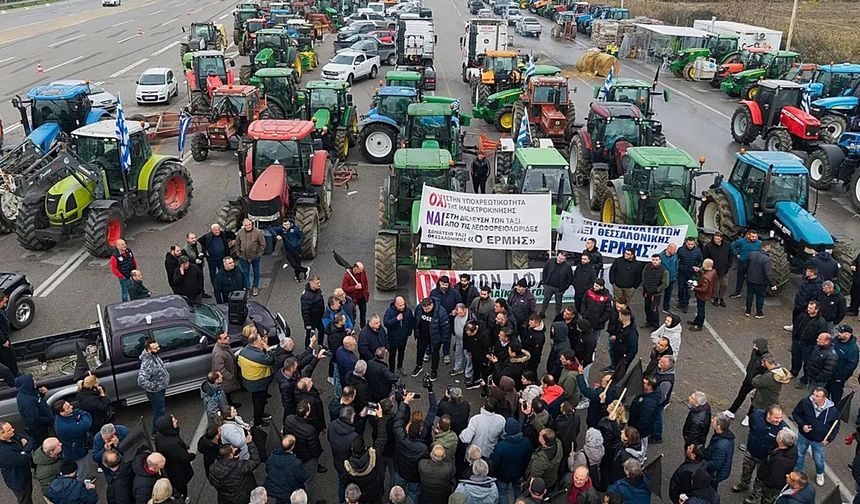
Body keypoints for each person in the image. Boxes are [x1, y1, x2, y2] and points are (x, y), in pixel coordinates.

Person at [731, 406, 788, 499]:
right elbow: (751, 425)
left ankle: (755, 496)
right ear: (768, 415)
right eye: (776, 417)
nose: (779, 420)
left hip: (765, 459)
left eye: (781, 417)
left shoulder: (783, 429)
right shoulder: (756, 415)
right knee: (746, 470)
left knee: (760, 479)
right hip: (751, 452)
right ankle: (744, 484)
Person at [791, 387, 839, 486]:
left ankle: (820, 473)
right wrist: (802, 425)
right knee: (799, 455)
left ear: (824, 398)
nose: (813, 397)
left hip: (819, 440)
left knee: (818, 460)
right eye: (813, 394)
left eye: (817, 396)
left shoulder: (833, 411)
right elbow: (795, 414)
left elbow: (835, 426)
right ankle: (797, 473)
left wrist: (829, 439)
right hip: (803, 436)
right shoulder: (805, 402)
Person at [392, 393, 435, 503]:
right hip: (414, 475)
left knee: (397, 492)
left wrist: (405, 402)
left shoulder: (401, 438)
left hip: (400, 470)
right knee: (413, 493)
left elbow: (398, 421)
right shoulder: (422, 448)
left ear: (407, 429)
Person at [344, 407, 388, 503]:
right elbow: (382, 438)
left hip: (361, 495)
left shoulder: (348, 466)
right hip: (375, 491)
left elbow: (347, 481)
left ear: (352, 449)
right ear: (365, 447)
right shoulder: (373, 456)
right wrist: (381, 418)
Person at [725, 338, 770, 419]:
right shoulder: (755, 352)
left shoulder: (766, 359)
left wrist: (758, 386)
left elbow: (766, 373)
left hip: (757, 382)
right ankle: (732, 411)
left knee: (754, 400)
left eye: (756, 346)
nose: (754, 347)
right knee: (741, 394)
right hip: (748, 378)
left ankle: (749, 416)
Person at [491, 417, 532, 502]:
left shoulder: (501, 446)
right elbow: (529, 458)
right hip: (519, 473)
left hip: (503, 476)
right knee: (518, 490)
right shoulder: (527, 442)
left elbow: (495, 462)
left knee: (502, 493)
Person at [789, 301, 829, 389]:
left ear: (817, 310)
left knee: (808, 363)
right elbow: (796, 325)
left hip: (809, 345)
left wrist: (815, 347)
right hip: (798, 341)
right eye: (808, 307)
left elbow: (821, 335)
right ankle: (793, 372)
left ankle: (805, 379)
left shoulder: (821, 322)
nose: (808, 309)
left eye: (811, 308)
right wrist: (794, 338)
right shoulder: (803, 315)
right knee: (795, 358)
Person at [153, 415, 195, 498]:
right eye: (173, 421)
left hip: (169, 467)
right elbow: (184, 458)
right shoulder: (172, 444)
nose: (176, 420)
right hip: (177, 471)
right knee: (182, 488)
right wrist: (192, 455)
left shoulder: (159, 435)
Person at [238, 333, 274, 426]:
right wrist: (267, 348)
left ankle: (261, 414)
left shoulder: (243, 351)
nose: (262, 341)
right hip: (259, 383)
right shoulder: (258, 356)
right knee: (259, 403)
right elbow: (271, 360)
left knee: (257, 400)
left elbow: (239, 364)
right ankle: (258, 421)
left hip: (250, 381)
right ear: (254, 342)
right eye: (260, 340)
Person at [413, 297, 451, 381]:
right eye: (424, 309)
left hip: (435, 337)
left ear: (432, 305)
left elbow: (445, 327)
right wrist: (416, 331)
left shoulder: (441, 312)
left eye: (427, 309)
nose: (425, 311)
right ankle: (419, 366)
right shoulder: (419, 308)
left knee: (435, 354)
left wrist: (443, 339)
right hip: (422, 336)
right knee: (420, 351)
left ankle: (434, 370)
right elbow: (416, 320)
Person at [756, 429, 799, 504]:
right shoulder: (790, 450)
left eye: (778, 434)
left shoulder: (781, 461)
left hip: (771, 487)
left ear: (780, 440)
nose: (777, 434)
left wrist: (765, 480)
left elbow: (775, 478)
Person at [264, 435, 310, 504]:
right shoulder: (295, 463)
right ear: (292, 447)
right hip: (287, 493)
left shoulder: (273, 455)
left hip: (271, 490)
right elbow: (303, 477)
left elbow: (267, 469)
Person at [53, 399, 91, 480]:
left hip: (74, 447)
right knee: (81, 470)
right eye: (68, 407)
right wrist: (82, 416)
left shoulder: (63, 417)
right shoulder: (65, 427)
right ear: (62, 413)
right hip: (76, 451)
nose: (72, 407)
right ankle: (81, 483)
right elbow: (86, 424)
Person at [137, 339, 170, 434]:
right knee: (159, 412)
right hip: (156, 392)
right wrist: (154, 386)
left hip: (160, 389)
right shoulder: (147, 363)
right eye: (155, 348)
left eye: (158, 346)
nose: (158, 349)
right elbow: (141, 381)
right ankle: (156, 432)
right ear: (148, 349)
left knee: (160, 410)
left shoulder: (154, 355)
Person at [330, 406, 360, 502]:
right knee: (349, 486)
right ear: (351, 419)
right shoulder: (353, 437)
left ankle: (341, 501)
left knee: (341, 484)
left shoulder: (332, 426)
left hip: (337, 462)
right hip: (348, 466)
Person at [0, 421, 34, 504]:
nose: (13, 430)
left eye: (11, 427)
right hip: (17, 480)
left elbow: (30, 440)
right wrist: (25, 451)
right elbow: (22, 460)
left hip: (25, 474)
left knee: (28, 494)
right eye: (9, 430)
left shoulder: (12, 436)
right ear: (1, 435)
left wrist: (24, 451)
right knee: (24, 499)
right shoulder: (3, 451)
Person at [15, 374, 52, 445]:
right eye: (33, 380)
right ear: (27, 383)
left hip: (39, 428)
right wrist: (49, 419)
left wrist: (41, 394)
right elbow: (34, 419)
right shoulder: (27, 402)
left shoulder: (27, 392)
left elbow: (36, 400)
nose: (35, 382)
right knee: (43, 443)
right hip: (38, 430)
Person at [785, 266, 823, 332]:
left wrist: (806, 305)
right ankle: (794, 326)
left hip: (804, 306)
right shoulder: (806, 279)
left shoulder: (817, 286)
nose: (806, 272)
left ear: (812, 273)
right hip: (798, 303)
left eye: (808, 271)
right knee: (795, 316)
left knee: (802, 320)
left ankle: (799, 331)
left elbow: (814, 298)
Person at [745, 240, 776, 318]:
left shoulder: (751, 254)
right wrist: (772, 284)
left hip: (750, 279)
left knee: (749, 296)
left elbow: (746, 265)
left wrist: (746, 275)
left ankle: (748, 311)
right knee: (760, 297)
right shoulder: (767, 259)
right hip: (760, 282)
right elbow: (768, 273)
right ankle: (759, 313)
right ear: (767, 246)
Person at [384, 296, 415, 374]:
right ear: (396, 304)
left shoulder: (408, 311)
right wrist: (396, 319)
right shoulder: (389, 311)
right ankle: (391, 370)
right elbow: (386, 323)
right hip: (392, 338)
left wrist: (408, 333)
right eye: (400, 305)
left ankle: (400, 366)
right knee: (392, 355)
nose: (402, 307)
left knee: (401, 353)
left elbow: (411, 322)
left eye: (403, 304)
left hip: (403, 338)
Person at [201, 223, 237, 290]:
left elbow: (231, 234)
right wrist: (204, 252)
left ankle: (223, 284)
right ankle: (215, 286)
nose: (217, 231)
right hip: (212, 260)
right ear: (212, 230)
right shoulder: (207, 236)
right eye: (215, 230)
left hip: (222, 259)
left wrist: (233, 239)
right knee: (213, 273)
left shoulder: (223, 234)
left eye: (218, 229)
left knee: (223, 272)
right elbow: (199, 243)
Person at [628, 377, 660, 451]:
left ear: (649, 387)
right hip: (636, 425)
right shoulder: (646, 393)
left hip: (640, 431)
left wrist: (636, 430)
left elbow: (644, 420)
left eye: (644, 383)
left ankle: (642, 454)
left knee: (641, 444)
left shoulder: (649, 403)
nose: (641, 384)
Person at [235, 219, 266, 296]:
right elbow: (237, 243)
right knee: (245, 273)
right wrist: (238, 254)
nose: (248, 226)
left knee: (256, 272)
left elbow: (262, 245)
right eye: (246, 225)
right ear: (243, 225)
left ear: (251, 224)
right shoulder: (240, 232)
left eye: (249, 224)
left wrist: (259, 254)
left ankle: (255, 286)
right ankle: (247, 288)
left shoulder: (258, 232)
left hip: (255, 257)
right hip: (244, 257)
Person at [650, 355, 676, 444]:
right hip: (654, 398)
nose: (659, 362)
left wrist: (655, 403)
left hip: (658, 402)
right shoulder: (660, 370)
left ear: (668, 366)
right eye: (660, 360)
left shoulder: (666, 381)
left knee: (657, 418)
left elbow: (662, 396)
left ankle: (657, 436)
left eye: (662, 362)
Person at [210, 331, 241, 407]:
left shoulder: (225, 346)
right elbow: (220, 369)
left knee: (228, 393)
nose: (228, 338)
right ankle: (229, 406)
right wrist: (230, 376)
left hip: (229, 374)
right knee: (227, 393)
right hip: (226, 379)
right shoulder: (219, 353)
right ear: (219, 340)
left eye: (227, 336)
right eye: (225, 338)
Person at [705, 413, 735, 489]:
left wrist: (702, 464)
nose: (711, 420)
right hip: (718, 471)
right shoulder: (722, 435)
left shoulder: (721, 446)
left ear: (718, 426)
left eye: (714, 420)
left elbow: (715, 465)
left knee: (710, 488)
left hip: (715, 474)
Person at [830, 325, 858, 403]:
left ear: (848, 335)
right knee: (826, 389)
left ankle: (836, 407)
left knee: (836, 393)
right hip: (829, 372)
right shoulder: (836, 339)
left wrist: (841, 374)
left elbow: (852, 364)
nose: (838, 333)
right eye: (839, 331)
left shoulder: (853, 349)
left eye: (841, 332)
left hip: (838, 376)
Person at [703, 232, 732, 307]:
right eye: (715, 238)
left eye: (718, 239)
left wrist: (729, 264)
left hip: (724, 269)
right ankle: (714, 297)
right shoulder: (708, 246)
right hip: (713, 269)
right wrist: (709, 267)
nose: (716, 240)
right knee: (714, 285)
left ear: (721, 238)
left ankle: (720, 297)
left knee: (724, 284)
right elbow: (706, 257)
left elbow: (731, 255)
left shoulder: (727, 245)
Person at [730, 229, 762, 298]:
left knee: (752, 279)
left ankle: (751, 294)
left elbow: (763, 251)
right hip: (742, 263)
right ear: (748, 235)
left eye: (756, 237)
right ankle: (737, 292)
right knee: (740, 278)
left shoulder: (759, 243)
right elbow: (732, 246)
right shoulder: (741, 241)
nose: (754, 238)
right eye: (752, 237)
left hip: (753, 265)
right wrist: (736, 254)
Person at [641, 254, 669, 329]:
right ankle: (649, 322)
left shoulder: (664, 270)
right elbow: (643, 276)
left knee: (654, 310)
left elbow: (665, 283)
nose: (654, 261)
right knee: (647, 308)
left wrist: (657, 289)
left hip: (656, 295)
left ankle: (656, 326)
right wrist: (645, 285)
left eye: (656, 260)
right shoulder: (647, 266)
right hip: (647, 292)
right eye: (653, 260)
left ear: (660, 260)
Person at [676, 237, 703, 313]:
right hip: (682, 272)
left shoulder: (698, 251)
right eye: (689, 244)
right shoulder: (681, 250)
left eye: (692, 244)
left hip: (692, 273)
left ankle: (685, 304)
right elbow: (676, 259)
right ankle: (681, 301)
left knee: (688, 289)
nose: (690, 246)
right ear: (686, 243)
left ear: (694, 243)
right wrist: (678, 267)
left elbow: (700, 261)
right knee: (681, 288)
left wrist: (697, 267)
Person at [689, 258, 717, 331]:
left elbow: (704, 289)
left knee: (700, 309)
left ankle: (699, 325)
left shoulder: (706, 277)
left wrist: (694, 288)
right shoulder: (713, 272)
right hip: (707, 294)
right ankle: (696, 321)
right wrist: (700, 270)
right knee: (700, 308)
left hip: (702, 295)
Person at [300, 274, 325, 347]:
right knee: (309, 335)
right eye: (317, 283)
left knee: (322, 331)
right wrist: (307, 324)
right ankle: (307, 348)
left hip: (319, 317)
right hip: (311, 320)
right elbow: (305, 312)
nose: (319, 284)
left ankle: (320, 345)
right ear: (311, 283)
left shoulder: (317, 290)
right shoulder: (306, 296)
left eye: (319, 282)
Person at [343, 262, 370, 328]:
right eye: (360, 270)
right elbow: (344, 288)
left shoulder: (362, 272)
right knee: (352, 313)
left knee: (363, 311)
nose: (361, 272)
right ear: (355, 268)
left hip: (362, 296)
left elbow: (365, 282)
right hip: (352, 298)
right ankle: (351, 327)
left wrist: (366, 290)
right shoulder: (347, 276)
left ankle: (362, 326)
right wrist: (354, 287)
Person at [658, 243, 680, 313]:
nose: (675, 251)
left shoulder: (675, 256)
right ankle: (655, 307)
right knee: (658, 294)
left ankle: (666, 308)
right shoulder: (660, 256)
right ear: (669, 248)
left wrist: (675, 275)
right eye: (674, 250)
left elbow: (676, 265)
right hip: (662, 280)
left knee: (668, 295)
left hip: (671, 279)